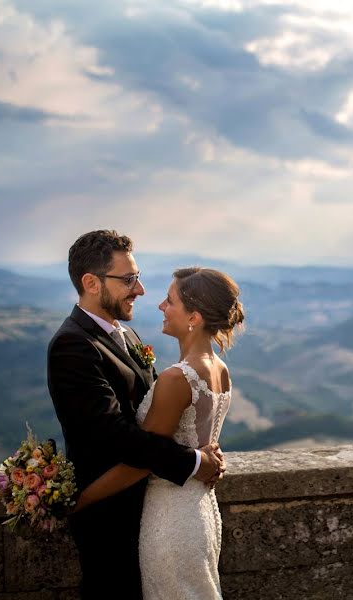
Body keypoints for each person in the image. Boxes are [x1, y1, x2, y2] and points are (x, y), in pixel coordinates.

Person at [47, 231, 225, 600]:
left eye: (137, 277)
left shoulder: (125, 335)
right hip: (110, 520)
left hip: (151, 510)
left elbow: (164, 413)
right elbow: (115, 435)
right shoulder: (72, 345)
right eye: (128, 280)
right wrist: (194, 461)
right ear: (91, 283)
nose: (140, 290)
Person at [74, 266, 244, 600]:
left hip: (170, 519)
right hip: (201, 510)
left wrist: (79, 500)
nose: (160, 307)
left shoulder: (176, 378)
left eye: (170, 301)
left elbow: (143, 458)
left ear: (193, 317)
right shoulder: (220, 370)